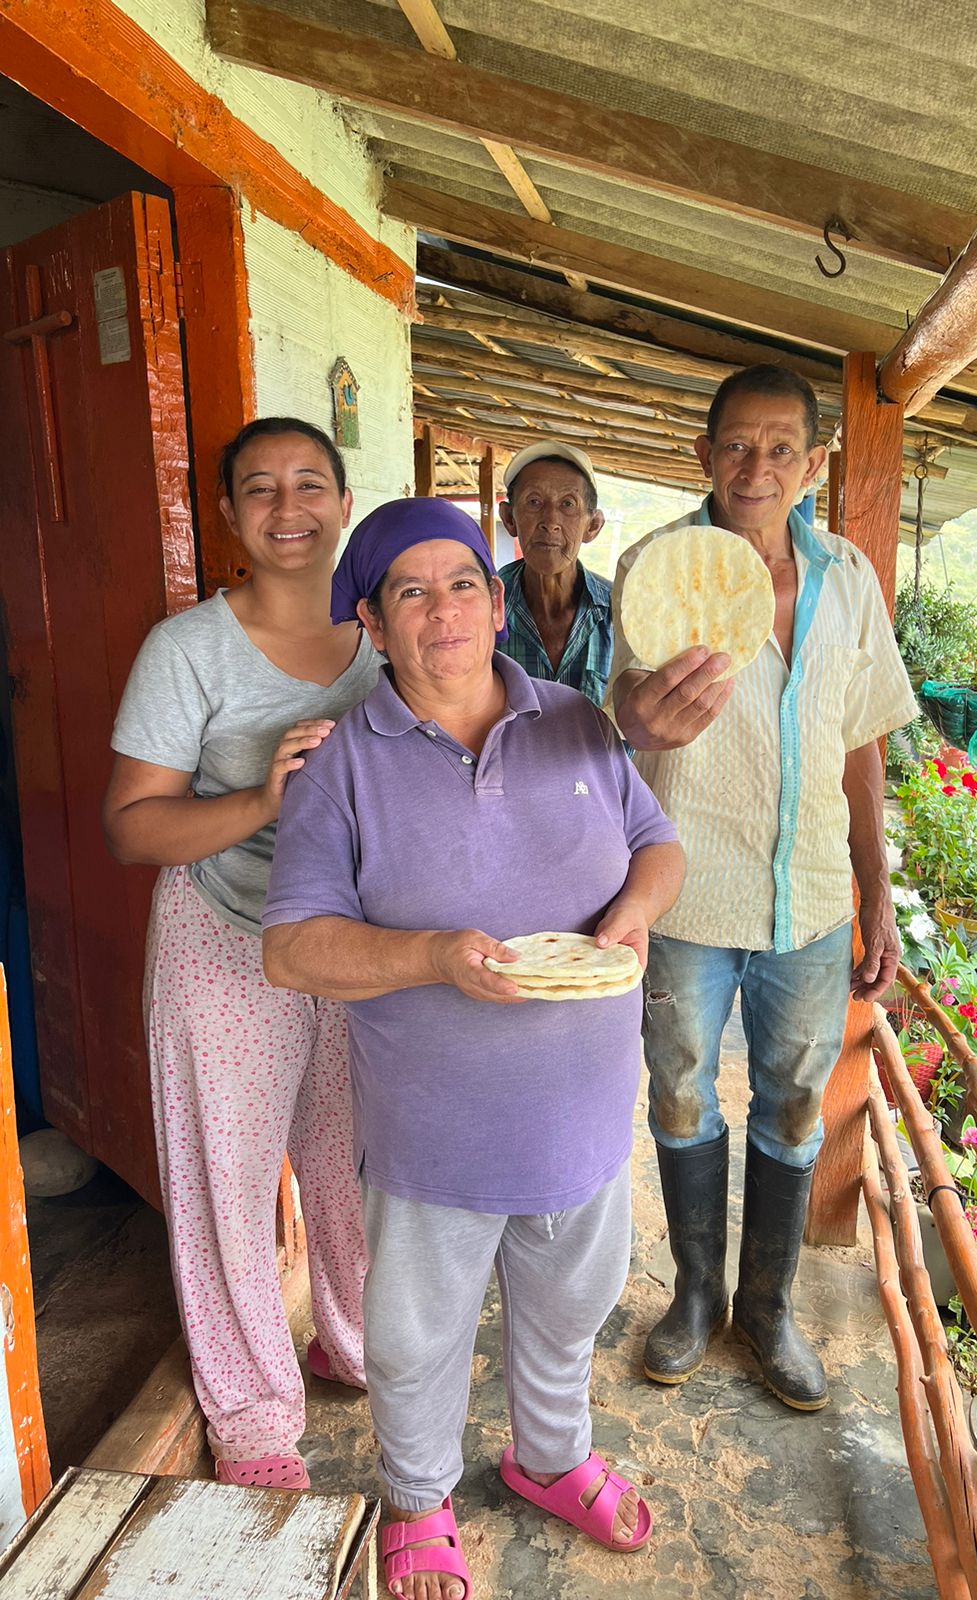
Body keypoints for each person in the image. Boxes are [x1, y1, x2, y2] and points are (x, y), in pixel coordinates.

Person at [261, 497, 684, 1600]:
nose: (441, 608)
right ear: (373, 621)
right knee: (413, 1335)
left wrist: (634, 911)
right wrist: (432, 956)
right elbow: (293, 950)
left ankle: (547, 1457)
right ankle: (415, 1494)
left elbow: (657, 843)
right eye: (410, 589)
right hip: (436, 1131)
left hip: (584, 1112)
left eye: (461, 583)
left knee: (567, 1307)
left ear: (497, 604)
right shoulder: (342, 765)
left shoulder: (580, 722)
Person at [608, 364, 918, 1411]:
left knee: (792, 1102)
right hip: (688, 897)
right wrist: (641, 718)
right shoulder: (656, 565)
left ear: (816, 464)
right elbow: (616, 717)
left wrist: (878, 893)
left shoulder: (852, 580)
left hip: (813, 902)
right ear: (703, 456)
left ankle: (768, 1306)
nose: (758, 466)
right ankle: (696, 1296)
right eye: (737, 444)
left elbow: (862, 741)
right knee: (683, 1087)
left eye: (782, 447)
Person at [102, 417, 378, 1488]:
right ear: (226, 515)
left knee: (356, 1162)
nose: (287, 506)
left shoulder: (387, 637)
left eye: (310, 483)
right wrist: (262, 794)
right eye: (258, 488)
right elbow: (134, 824)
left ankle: (354, 1342)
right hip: (223, 937)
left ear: (343, 504)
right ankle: (256, 1413)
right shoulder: (188, 650)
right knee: (226, 1174)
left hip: (355, 944)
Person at [495, 441, 612, 706]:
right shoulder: (480, 608)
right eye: (534, 502)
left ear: (592, 526)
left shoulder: (622, 612)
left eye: (568, 504)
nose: (550, 522)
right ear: (510, 519)